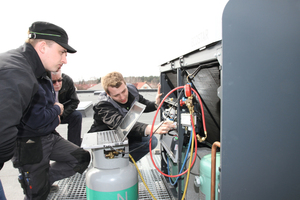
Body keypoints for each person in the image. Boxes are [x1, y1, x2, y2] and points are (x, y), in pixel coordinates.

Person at [7, 21, 91, 200]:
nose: (65, 60)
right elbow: (34, 119)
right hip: (30, 144)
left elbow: (44, 116)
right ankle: (35, 184)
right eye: (62, 52)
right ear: (43, 47)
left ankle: (42, 179)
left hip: (49, 136)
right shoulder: (20, 71)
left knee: (81, 157)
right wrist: (57, 109)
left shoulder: (41, 71)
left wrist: (53, 115)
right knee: (37, 195)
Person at [88, 71, 175, 162]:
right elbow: (121, 124)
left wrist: (156, 104)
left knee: (151, 141)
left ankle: (125, 162)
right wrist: (153, 128)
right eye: (116, 95)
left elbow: (143, 104)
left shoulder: (131, 90)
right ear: (108, 94)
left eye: (123, 91)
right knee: (109, 161)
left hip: (124, 135)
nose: (122, 97)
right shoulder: (103, 105)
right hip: (106, 139)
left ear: (125, 85)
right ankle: (114, 163)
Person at [51, 69, 82, 146]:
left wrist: (61, 115)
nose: (57, 84)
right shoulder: (42, 85)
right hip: (48, 114)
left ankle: (75, 146)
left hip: (62, 113)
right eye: (53, 82)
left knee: (77, 116)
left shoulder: (67, 81)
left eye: (59, 80)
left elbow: (74, 101)